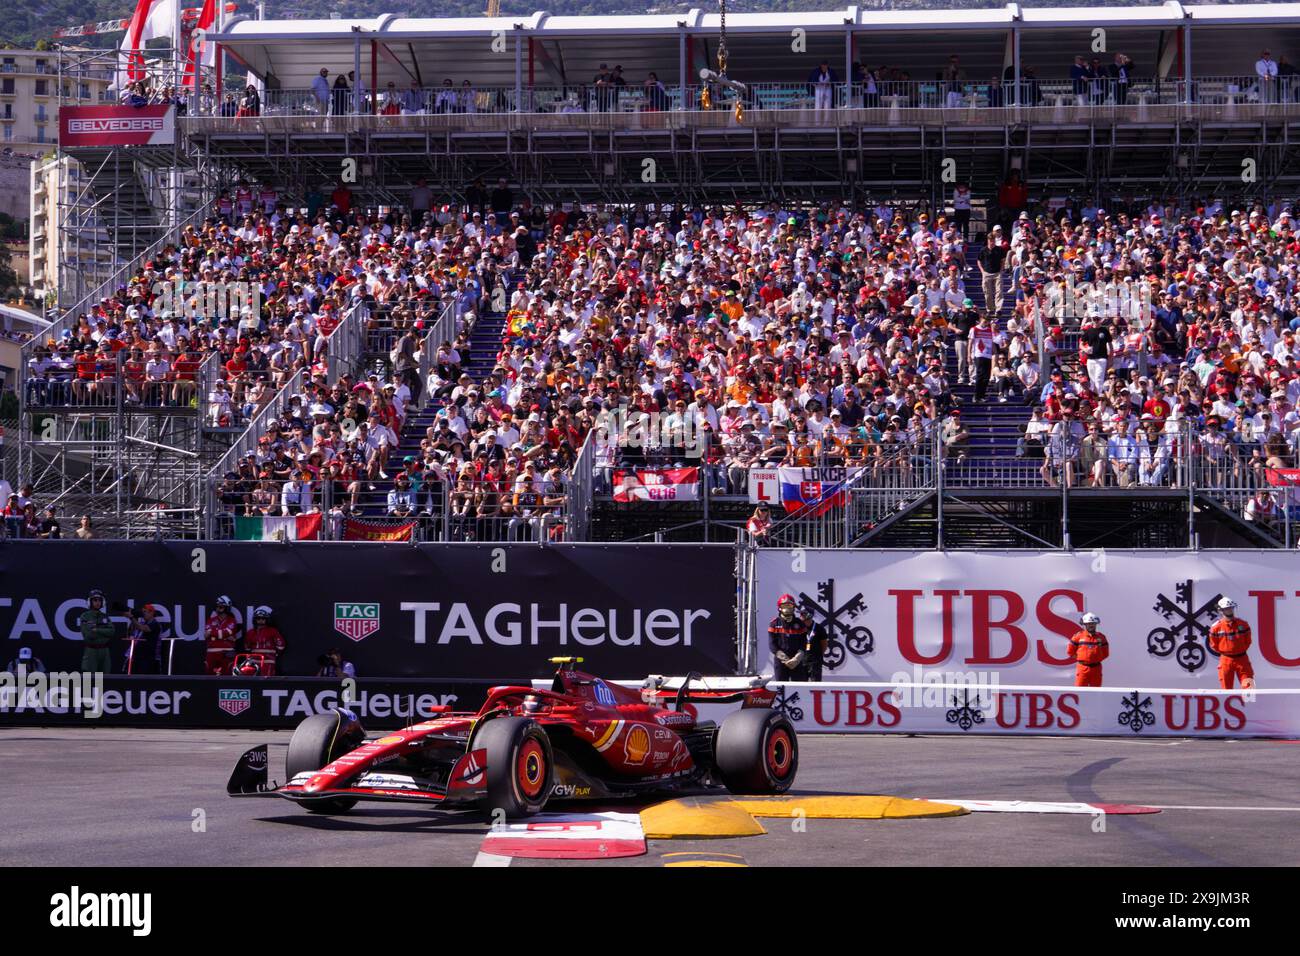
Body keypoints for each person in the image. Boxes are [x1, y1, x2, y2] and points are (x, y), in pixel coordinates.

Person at [769, 593, 820, 681]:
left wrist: (797, 659)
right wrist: (785, 659)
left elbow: (804, 643)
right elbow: (772, 644)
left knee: (799, 687)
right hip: (781, 661)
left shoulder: (800, 624)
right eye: (785, 606)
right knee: (781, 688)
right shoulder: (774, 624)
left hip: (797, 661)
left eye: (790, 605)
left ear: (794, 607)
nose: (787, 608)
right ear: (779, 607)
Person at [1208, 597, 1254, 690]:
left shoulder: (1243, 624)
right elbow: (1213, 645)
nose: (1229, 610)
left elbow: (1248, 641)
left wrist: (1239, 649)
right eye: (1226, 608)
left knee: (1249, 689)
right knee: (1226, 690)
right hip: (1226, 660)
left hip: (1242, 659)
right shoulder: (1216, 627)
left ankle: (1250, 703)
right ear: (1220, 610)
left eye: (1231, 608)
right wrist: (1226, 651)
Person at [79, 588, 117, 674]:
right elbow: (89, 635)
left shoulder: (105, 616)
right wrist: (104, 632)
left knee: (105, 679)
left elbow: (112, 632)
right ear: (90, 602)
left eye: (99, 600)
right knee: (90, 680)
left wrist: (96, 630)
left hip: (105, 652)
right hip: (91, 652)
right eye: (95, 600)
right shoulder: (85, 616)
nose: (97, 602)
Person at [1067, 612, 1109, 687]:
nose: (1091, 625)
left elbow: (1106, 653)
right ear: (1085, 625)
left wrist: (1095, 659)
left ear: (1096, 624)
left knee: (1096, 692)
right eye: (1088, 623)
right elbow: (1070, 651)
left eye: (1093, 623)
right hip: (1082, 668)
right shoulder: (1078, 636)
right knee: (1080, 692)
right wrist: (1082, 659)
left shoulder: (1101, 637)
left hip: (1096, 669)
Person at [243, 605, 286, 676]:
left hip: (268, 661)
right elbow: (247, 647)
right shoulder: (250, 632)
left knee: (266, 682)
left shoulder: (273, 631)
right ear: (255, 620)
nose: (260, 620)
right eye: (258, 618)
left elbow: (281, 646)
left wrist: (274, 654)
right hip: (253, 662)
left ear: (267, 620)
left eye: (263, 619)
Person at [204, 594, 241, 676]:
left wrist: (213, 633)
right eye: (217, 607)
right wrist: (224, 635)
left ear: (227, 608)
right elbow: (206, 635)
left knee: (227, 676)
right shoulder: (210, 620)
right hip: (211, 654)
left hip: (227, 654)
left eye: (221, 607)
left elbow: (228, 632)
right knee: (209, 676)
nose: (218, 609)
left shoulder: (232, 621)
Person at [124, 604, 163, 675]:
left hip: (148, 658)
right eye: (142, 612)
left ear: (152, 613)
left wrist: (132, 618)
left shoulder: (155, 624)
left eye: (145, 612)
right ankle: (98, 686)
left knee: (145, 680)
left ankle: (98, 685)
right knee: (99, 672)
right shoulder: (101, 617)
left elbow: (143, 628)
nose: (143, 614)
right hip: (98, 649)